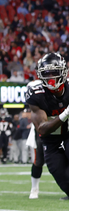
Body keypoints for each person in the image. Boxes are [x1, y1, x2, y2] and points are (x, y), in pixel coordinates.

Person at [25, 54, 69, 199]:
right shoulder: (36, 92)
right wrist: (66, 113)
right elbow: (42, 129)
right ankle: (34, 189)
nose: (51, 77)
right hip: (49, 138)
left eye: (54, 72)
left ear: (63, 72)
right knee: (59, 174)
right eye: (46, 73)